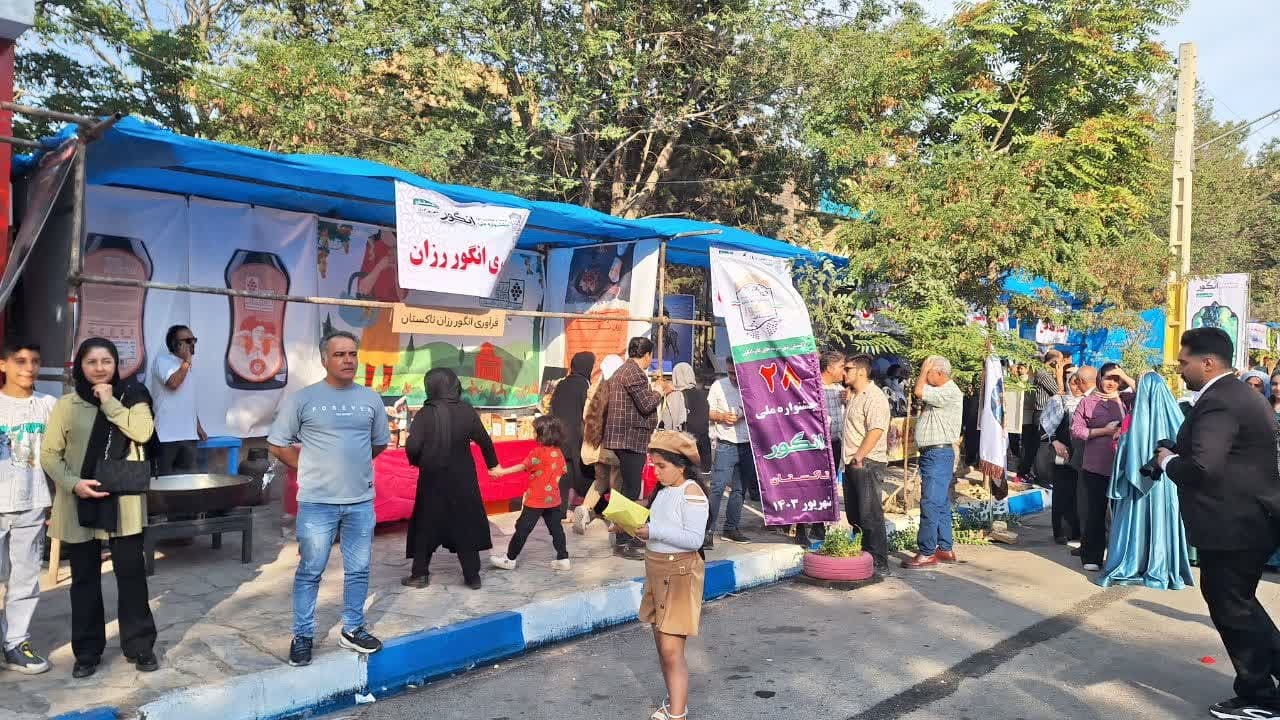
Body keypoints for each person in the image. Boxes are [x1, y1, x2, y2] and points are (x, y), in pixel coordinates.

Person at [1156, 328, 1280, 720]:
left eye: (1183, 361)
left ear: (1207, 362)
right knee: (1236, 605)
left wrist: (1165, 462)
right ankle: (1257, 688)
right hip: (1245, 521)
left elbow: (1203, 468)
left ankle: (1261, 697)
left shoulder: (1222, 401)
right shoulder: (1236, 395)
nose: (1180, 369)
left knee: (1234, 608)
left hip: (1234, 524)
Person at [268, 331, 390, 667]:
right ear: (325, 359)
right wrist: (308, 466)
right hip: (317, 503)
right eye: (340, 355)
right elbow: (277, 444)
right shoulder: (303, 399)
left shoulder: (370, 399)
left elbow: (378, 444)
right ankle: (303, 635)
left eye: (353, 354)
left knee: (359, 569)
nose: (348, 360)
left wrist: (353, 465)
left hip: (360, 502)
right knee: (310, 571)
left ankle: (352, 628)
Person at [41, 338, 159, 678]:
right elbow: (50, 454)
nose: (99, 368)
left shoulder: (133, 397)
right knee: (85, 580)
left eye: (106, 360)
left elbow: (142, 430)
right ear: (80, 365)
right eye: (91, 361)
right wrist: (73, 483)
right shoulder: (67, 405)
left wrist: (110, 402)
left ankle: (140, 646)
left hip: (122, 502)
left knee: (131, 576)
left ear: (116, 364)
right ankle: (88, 653)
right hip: (80, 501)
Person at [1094, 371, 1194, 590]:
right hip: (1166, 483)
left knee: (1134, 524)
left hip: (1136, 486)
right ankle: (1162, 565)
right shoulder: (1178, 420)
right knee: (1162, 520)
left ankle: (1132, 562)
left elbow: (1125, 455)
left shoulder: (1135, 423)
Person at [401, 367, 499, 589]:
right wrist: (493, 465)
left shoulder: (425, 414)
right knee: (465, 524)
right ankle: (472, 576)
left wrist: (417, 460)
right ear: (455, 385)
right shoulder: (466, 411)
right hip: (463, 479)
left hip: (432, 479)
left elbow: (413, 445)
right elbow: (484, 441)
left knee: (426, 524)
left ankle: (420, 574)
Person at [634, 431, 709, 720]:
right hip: (656, 570)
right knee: (662, 647)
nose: (656, 471)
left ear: (682, 465)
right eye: (653, 465)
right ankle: (676, 703)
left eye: (661, 466)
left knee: (670, 650)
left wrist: (652, 531)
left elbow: (693, 540)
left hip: (679, 574)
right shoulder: (663, 492)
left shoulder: (691, 492)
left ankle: (677, 715)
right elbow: (660, 531)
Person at [0, 341, 56, 674]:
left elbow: (58, 450)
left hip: (32, 502)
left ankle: (15, 642)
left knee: (24, 577)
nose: (29, 368)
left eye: (35, 361)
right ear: (3, 365)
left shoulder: (48, 404)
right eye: (19, 361)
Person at [603, 337, 673, 560]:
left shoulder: (623, 371)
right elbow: (646, 404)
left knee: (629, 488)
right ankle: (623, 541)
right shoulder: (633, 373)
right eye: (650, 358)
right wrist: (660, 390)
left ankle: (629, 534)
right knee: (630, 491)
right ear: (647, 355)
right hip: (630, 438)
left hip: (625, 438)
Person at [1070, 362, 1135, 572]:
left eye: (1115, 379)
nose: (1111, 383)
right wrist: (1103, 431)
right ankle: (1092, 555)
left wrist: (1124, 375)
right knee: (1094, 513)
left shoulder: (1126, 399)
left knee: (1122, 515)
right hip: (1095, 465)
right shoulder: (1088, 402)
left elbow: (1149, 395)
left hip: (1121, 466)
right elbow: (1077, 430)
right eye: (1108, 378)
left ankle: (1120, 558)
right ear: (1099, 378)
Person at [489, 415, 572, 572]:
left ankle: (510, 559)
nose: (533, 434)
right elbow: (561, 475)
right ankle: (563, 558)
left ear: (543, 433)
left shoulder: (537, 452)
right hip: (553, 500)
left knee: (522, 529)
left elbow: (522, 466)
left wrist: (501, 472)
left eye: (535, 431)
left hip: (535, 500)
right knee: (556, 529)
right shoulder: (559, 453)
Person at [904, 355, 964, 569]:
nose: (925, 376)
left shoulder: (948, 391)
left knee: (930, 502)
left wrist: (922, 371)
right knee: (940, 503)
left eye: (928, 372)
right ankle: (944, 547)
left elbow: (918, 391)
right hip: (936, 454)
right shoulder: (942, 392)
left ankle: (927, 552)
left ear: (938, 373)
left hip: (938, 454)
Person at [840, 354, 892, 576]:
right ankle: (863, 556)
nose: (844, 373)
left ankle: (879, 561)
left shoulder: (874, 397)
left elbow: (876, 430)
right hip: (852, 462)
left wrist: (860, 456)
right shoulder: (856, 395)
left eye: (848, 369)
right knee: (855, 514)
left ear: (861, 371)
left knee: (870, 514)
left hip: (867, 462)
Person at [706, 356, 754, 548]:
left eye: (736, 373)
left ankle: (731, 528)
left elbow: (760, 411)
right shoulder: (719, 386)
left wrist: (743, 415)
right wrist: (722, 416)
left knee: (740, 490)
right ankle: (708, 531)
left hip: (746, 443)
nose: (733, 377)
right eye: (730, 372)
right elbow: (707, 412)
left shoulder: (751, 387)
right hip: (726, 443)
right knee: (717, 488)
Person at [575, 354, 625, 535]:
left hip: (595, 444)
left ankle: (585, 509)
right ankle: (614, 520)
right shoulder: (619, 389)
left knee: (600, 480)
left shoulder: (595, 388)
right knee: (616, 481)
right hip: (613, 445)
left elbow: (585, 417)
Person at [149, 325, 207, 475]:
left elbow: (187, 400)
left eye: (193, 340)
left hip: (188, 436)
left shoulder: (187, 367)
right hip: (166, 436)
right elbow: (173, 384)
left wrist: (198, 426)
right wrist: (186, 363)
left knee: (186, 484)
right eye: (187, 340)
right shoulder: (162, 360)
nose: (192, 344)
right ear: (174, 344)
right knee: (163, 484)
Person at [1043, 370, 1086, 545]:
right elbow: (1045, 426)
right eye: (1073, 382)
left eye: (1079, 382)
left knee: (1080, 493)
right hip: (1063, 454)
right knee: (1062, 492)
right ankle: (1062, 531)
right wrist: (1055, 442)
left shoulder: (1090, 400)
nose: (1075, 387)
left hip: (1083, 454)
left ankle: (1078, 530)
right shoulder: (1058, 400)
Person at [550, 352, 594, 515]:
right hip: (577, 435)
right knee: (585, 470)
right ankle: (591, 505)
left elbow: (552, 408)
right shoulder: (584, 384)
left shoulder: (562, 384)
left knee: (564, 473)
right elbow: (588, 412)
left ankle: (561, 511)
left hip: (560, 434)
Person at [1019, 350, 1062, 483]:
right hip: (1043, 412)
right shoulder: (1043, 374)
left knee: (1033, 446)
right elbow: (1058, 392)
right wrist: (1059, 376)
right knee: (1041, 446)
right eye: (1060, 362)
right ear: (1054, 362)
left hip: (1037, 413)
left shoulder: (1036, 373)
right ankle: (1040, 476)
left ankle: (1028, 472)